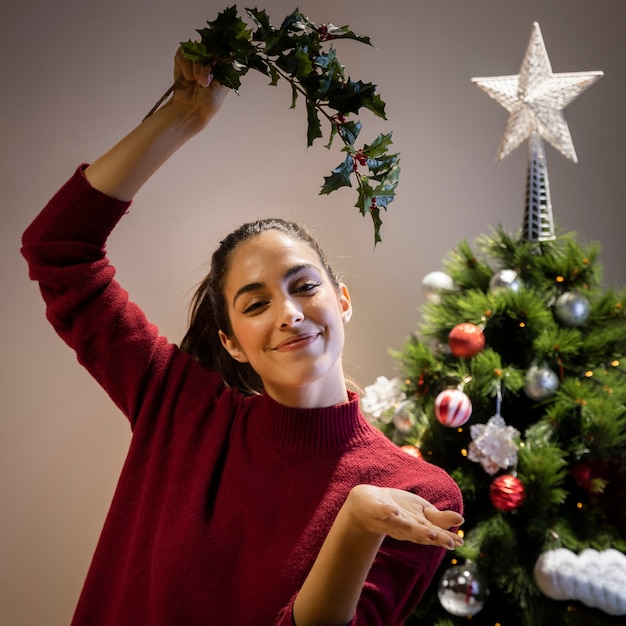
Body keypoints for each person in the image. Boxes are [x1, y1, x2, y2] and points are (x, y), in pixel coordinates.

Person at [21, 47, 463, 625]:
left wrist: (355, 521)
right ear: (230, 341)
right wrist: (181, 116)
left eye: (304, 286)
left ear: (342, 300)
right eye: (255, 303)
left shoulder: (412, 495)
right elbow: (58, 250)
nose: (288, 313)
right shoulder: (178, 408)